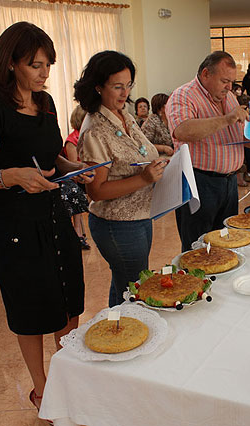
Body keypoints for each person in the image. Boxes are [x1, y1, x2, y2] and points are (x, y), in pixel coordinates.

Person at [0, 22, 91, 415]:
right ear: (12, 63)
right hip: (16, 228)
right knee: (32, 311)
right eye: (35, 64)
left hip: (53, 218)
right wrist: (12, 176)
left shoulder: (45, 103)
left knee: (69, 301)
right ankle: (41, 387)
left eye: (48, 63)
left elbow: (50, 158)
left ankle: (69, 378)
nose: (44, 72)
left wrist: (71, 165)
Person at [75, 50, 167, 308]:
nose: (125, 93)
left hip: (139, 216)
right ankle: (125, 338)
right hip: (117, 223)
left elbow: (138, 153)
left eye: (128, 86)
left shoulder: (124, 116)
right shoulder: (95, 129)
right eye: (117, 86)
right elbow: (96, 191)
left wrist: (159, 161)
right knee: (135, 291)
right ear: (98, 87)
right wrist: (145, 178)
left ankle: (116, 332)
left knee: (125, 286)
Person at [166, 51, 250, 252]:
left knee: (226, 240)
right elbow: (183, 130)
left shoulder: (229, 97)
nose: (229, 87)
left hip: (229, 182)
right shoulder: (183, 95)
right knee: (197, 247)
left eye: (232, 82)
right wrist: (226, 119)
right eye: (225, 81)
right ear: (206, 73)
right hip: (199, 182)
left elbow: (233, 136)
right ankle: (198, 283)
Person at [61, 106, 91, 250]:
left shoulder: (89, 135)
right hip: (77, 176)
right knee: (74, 192)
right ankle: (78, 231)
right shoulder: (71, 140)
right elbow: (74, 164)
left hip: (89, 172)